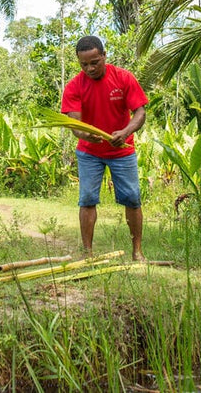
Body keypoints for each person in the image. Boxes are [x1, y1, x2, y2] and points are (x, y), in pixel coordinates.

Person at [60, 35, 148, 261]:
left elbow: (140, 112)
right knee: (87, 199)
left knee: (132, 199)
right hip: (89, 153)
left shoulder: (123, 78)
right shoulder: (74, 86)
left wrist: (125, 132)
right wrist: (85, 134)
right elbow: (74, 124)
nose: (89, 68)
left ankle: (137, 252)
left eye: (94, 62)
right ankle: (87, 254)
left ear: (104, 56)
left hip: (122, 151)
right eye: (84, 64)